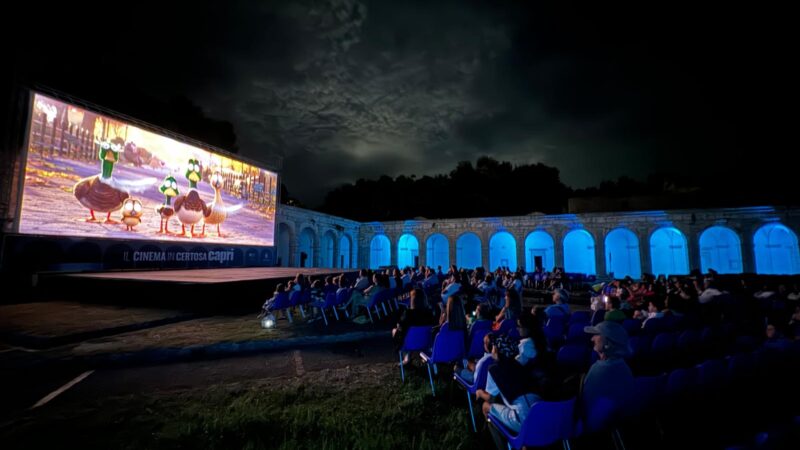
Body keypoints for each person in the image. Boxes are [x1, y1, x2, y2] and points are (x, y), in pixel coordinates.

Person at [580, 321, 634, 432]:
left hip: (595, 428)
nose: (592, 339)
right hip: (616, 426)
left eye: (596, 335)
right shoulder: (623, 366)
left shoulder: (600, 369)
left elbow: (587, 406)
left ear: (608, 342)